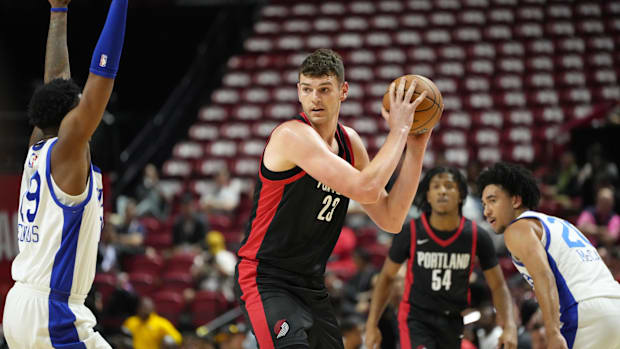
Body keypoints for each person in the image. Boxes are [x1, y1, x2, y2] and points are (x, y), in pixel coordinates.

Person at [234, 48, 433, 349]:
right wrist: (400, 129)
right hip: (267, 279)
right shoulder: (291, 135)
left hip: (312, 284)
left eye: (324, 89)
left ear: (343, 91)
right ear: (298, 92)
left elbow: (391, 218)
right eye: (307, 89)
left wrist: (416, 146)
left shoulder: (350, 143)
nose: (315, 98)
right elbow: (365, 188)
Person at [1, 0, 127, 348]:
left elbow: (55, 80)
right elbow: (103, 76)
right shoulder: (69, 151)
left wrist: (59, 11)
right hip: (53, 315)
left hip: (21, 306)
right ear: (71, 117)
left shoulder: (39, 142)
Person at [365, 167, 517, 349]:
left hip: (453, 320)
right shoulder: (411, 232)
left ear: (461, 194)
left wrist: (509, 326)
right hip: (416, 319)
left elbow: (498, 285)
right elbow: (387, 277)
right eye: (436, 186)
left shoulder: (476, 236)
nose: (442, 191)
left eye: (449, 186)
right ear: (428, 196)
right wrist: (371, 324)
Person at [477, 162, 620, 349]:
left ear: (515, 200)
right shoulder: (561, 224)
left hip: (583, 315)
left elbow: (544, 276)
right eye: (484, 204)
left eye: (492, 200)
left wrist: (552, 332)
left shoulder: (518, 228)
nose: (486, 211)